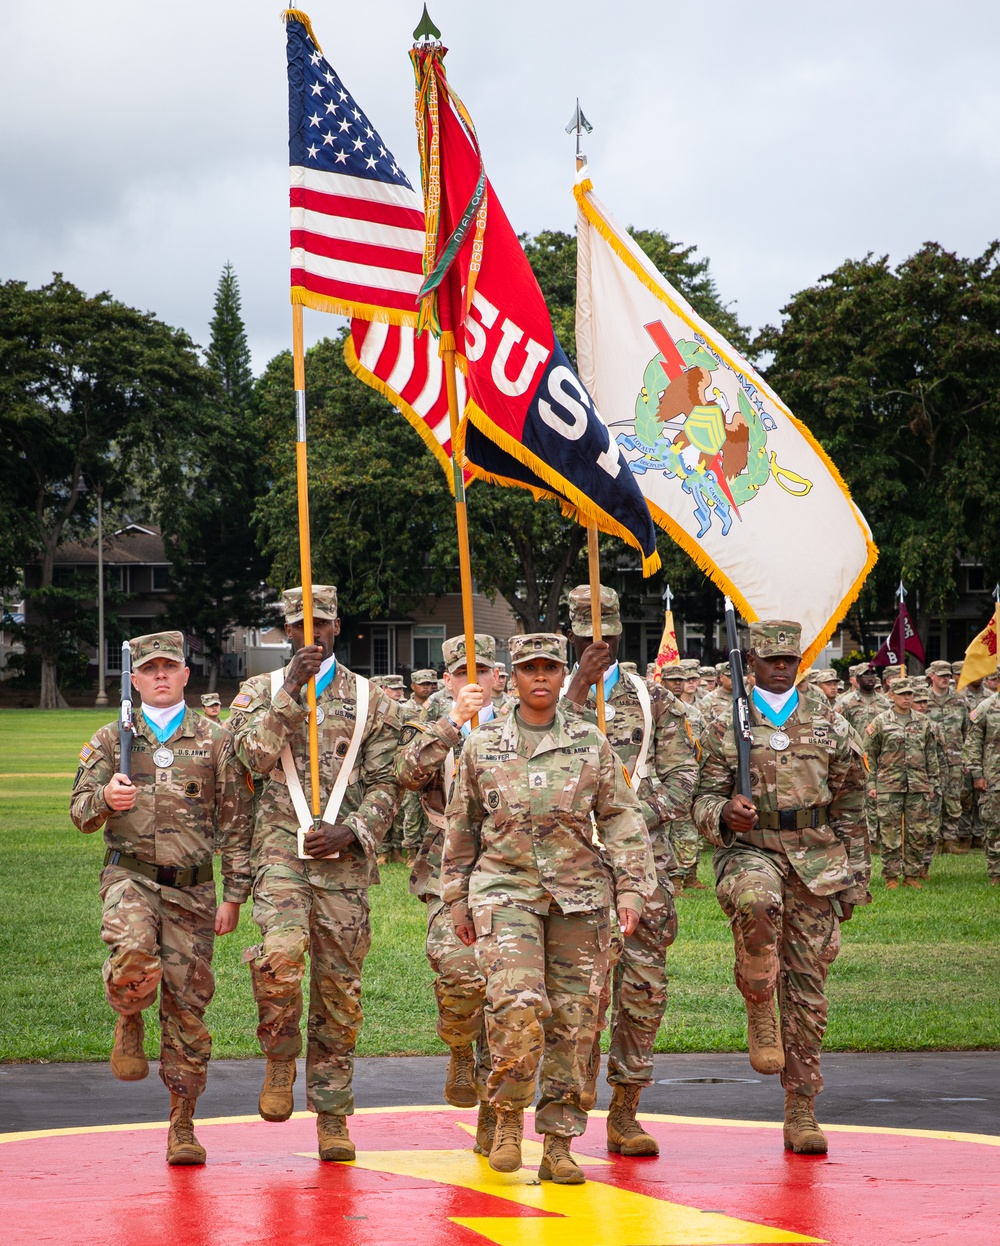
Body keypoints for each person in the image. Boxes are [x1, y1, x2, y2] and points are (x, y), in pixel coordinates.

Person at [442, 633, 656, 1184]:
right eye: (529, 668)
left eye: (550, 668)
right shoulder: (481, 744)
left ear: (564, 676)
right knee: (516, 1003)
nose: (540, 677)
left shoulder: (590, 742)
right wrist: (456, 900)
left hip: (579, 895)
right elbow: (461, 827)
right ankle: (508, 1117)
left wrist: (632, 888)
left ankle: (559, 1140)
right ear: (512, 677)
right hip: (504, 890)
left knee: (574, 1020)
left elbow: (621, 818)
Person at [228, 585, 402, 1163]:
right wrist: (292, 693)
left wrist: (353, 831)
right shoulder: (259, 692)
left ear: (337, 626)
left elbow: (387, 783)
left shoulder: (371, 699)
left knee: (339, 990)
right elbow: (248, 760)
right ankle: (280, 1058)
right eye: (301, 625)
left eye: (322, 624)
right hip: (279, 855)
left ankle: (331, 1113)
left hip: (344, 865)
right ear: (285, 630)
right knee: (280, 957)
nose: (313, 635)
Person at [69, 631, 251, 1166]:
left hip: (194, 888)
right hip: (131, 877)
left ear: (187, 674)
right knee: (130, 952)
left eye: (170, 667)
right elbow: (80, 813)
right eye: (150, 669)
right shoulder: (111, 739)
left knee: (188, 1007)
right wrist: (105, 797)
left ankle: (182, 1124)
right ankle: (128, 1012)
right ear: (135, 678)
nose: (161, 676)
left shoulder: (216, 740)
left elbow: (236, 825)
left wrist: (234, 895)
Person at [693, 620, 869, 1155]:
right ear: (751, 662)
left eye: (787, 660)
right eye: (768, 660)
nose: (778, 668)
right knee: (757, 902)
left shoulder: (829, 723)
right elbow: (698, 797)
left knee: (809, 991)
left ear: (798, 662)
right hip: (751, 851)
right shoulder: (727, 722)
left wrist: (854, 882)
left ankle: (801, 1109)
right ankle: (756, 992)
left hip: (816, 859)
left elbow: (853, 802)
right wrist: (723, 812)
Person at [563, 585, 697, 1156]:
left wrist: (627, 814)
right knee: (574, 999)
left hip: (642, 868)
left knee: (642, 991)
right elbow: (526, 759)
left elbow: (684, 775)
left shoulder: (654, 700)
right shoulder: (549, 697)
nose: (600, 640)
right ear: (571, 632)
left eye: (609, 630)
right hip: (570, 872)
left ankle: (625, 1111)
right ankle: (564, 1116)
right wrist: (575, 688)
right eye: (588, 630)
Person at [394, 634, 509, 1154]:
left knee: (508, 995)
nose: (473, 681)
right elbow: (404, 774)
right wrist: (451, 724)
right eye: (461, 672)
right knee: (462, 973)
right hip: (449, 869)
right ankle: (460, 1042)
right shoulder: (427, 721)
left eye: (481, 671)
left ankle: (493, 1111)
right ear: (446, 679)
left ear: (497, 676)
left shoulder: (520, 717)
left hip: (512, 869)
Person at [865, 678, 940, 888]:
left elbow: (931, 755)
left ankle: (911, 875)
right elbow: (868, 754)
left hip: (918, 785)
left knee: (917, 832)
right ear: (892, 695)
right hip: (889, 785)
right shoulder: (881, 721)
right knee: (890, 832)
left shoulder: (923, 722)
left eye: (910, 694)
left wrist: (932, 784)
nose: (907, 698)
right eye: (902, 694)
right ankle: (891, 876)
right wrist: (871, 784)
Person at [659, 662, 704, 894]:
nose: (677, 684)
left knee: (688, 828)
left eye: (681, 680)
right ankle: (672, 877)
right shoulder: (654, 709)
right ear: (662, 681)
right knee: (664, 829)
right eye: (672, 680)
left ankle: (690, 874)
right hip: (661, 780)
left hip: (688, 778)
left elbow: (703, 746)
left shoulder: (694, 713)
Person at [925, 659, 970, 854]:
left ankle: (950, 839)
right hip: (931, 761)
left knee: (953, 799)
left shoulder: (960, 701)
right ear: (931, 676)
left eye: (948, 675)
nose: (945, 678)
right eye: (941, 675)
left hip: (955, 760)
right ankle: (933, 841)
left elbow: (968, 732)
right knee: (932, 800)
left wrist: (967, 759)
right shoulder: (923, 700)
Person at [962, 684, 1000, 884]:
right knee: (994, 826)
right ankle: (996, 873)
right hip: (994, 778)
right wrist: (977, 774)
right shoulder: (987, 707)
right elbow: (973, 743)